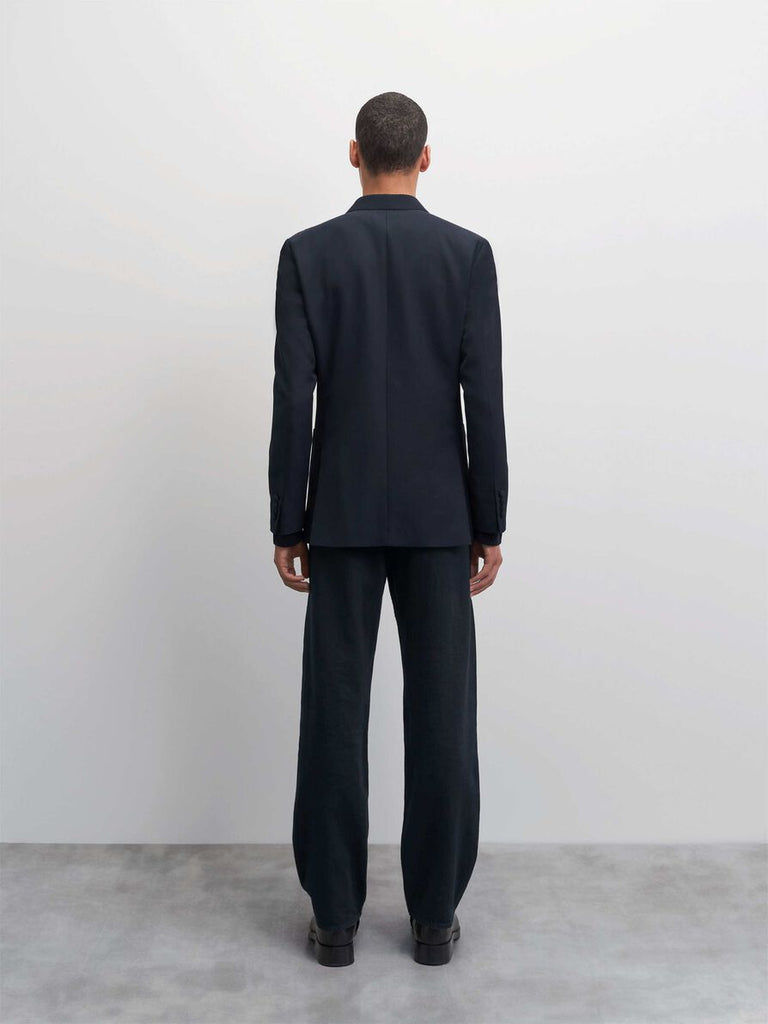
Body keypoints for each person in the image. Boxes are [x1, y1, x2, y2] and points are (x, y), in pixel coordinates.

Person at [268, 91, 508, 967]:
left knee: (334, 714)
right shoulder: (466, 255)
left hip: (339, 515)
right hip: (441, 518)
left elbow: (294, 396)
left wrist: (288, 518)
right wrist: (489, 519)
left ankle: (335, 920)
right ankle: (434, 919)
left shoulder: (307, 254)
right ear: (426, 157)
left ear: (354, 153)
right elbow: (483, 398)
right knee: (442, 715)